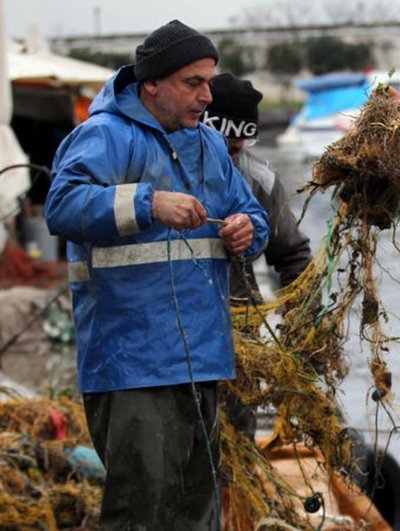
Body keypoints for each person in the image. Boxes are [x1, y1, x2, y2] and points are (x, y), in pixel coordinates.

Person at [44, 20, 269, 530]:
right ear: (152, 83)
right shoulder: (104, 135)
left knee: (197, 515)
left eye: (209, 82)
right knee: (141, 516)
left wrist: (244, 231)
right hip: (132, 366)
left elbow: (253, 215)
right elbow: (62, 205)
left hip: (203, 360)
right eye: (193, 83)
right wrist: (149, 203)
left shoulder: (208, 145)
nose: (207, 96)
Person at [202, 73, 311, 307]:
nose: (237, 149)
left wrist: (304, 320)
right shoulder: (165, 165)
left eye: (246, 141)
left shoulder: (260, 179)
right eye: (229, 142)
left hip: (238, 314)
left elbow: (292, 253)